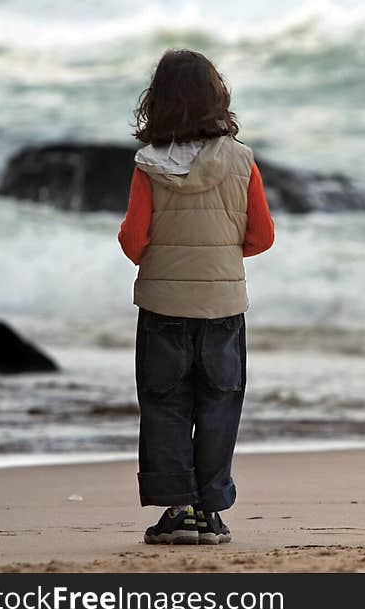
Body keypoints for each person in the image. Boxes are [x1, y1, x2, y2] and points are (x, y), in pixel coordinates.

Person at [118, 49, 274, 545]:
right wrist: (223, 258)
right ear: (217, 98)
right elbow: (262, 236)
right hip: (223, 308)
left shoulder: (148, 164)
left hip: (163, 306)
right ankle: (211, 514)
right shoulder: (242, 159)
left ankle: (178, 511)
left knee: (164, 404)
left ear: (157, 102)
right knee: (219, 403)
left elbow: (134, 241)